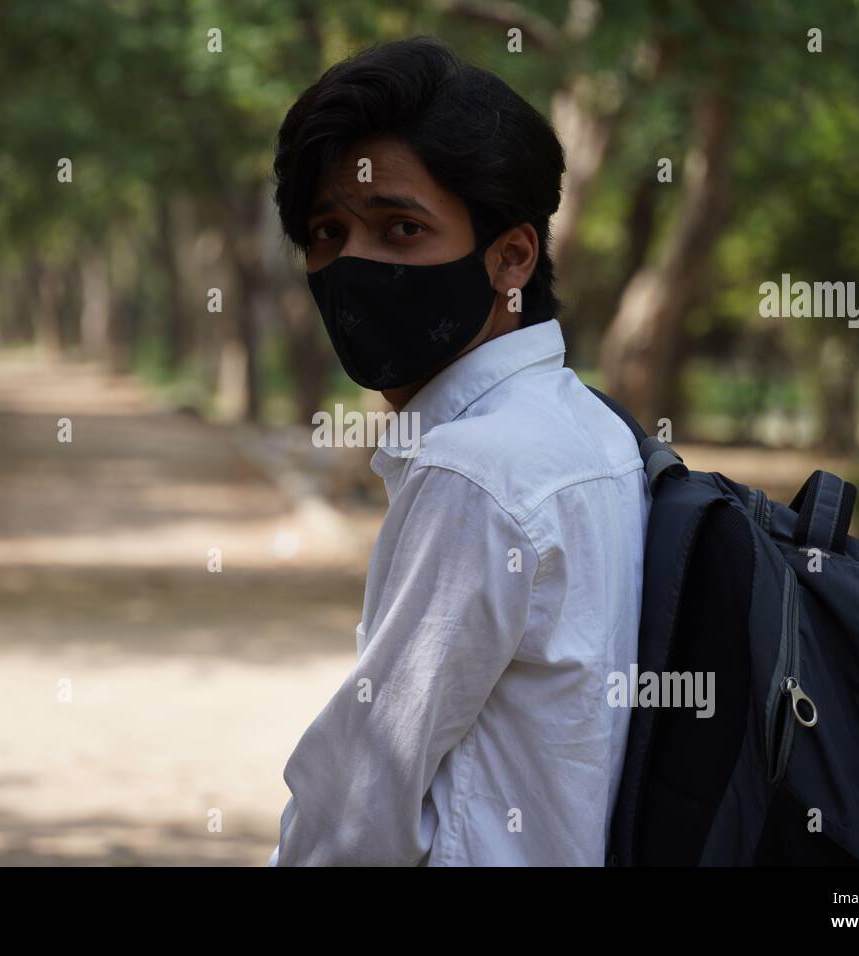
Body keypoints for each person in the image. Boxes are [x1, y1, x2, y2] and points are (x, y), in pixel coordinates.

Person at [267, 36, 651, 866]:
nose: (353, 263)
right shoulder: (593, 431)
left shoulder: (476, 472)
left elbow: (358, 812)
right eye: (328, 231)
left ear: (512, 257)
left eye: (401, 228)